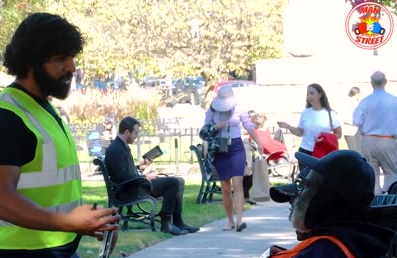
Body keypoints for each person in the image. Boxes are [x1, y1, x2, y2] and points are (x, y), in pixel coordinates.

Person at [0, 13, 120, 258]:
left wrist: (90, 221)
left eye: (72, 57)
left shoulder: (44, 111)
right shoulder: (3, 117)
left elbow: (51, 189)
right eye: (60, 59)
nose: (72, 67)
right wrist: (70, 223)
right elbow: (2, 201)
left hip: (55, 254)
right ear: (31, 62)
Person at [252, 150, 396, 258]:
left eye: (305, 186)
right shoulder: (360, 245)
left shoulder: (323, 257)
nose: (299, 195)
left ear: (325, 198)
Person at [104, 116, 200, 236]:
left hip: (134, 185)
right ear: (127, 132)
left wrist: (140, 168)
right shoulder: (116, 149)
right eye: (136, 133)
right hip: (129, 190)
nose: (136, 137)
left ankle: (177, 221)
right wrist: (145, 177)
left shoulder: (121, 146)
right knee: (173, 182)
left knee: (179, 180)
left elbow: (126, 172)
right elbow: (123, 178)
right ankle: (166, 223)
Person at [200, 85, 263, 232]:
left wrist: (258, 142)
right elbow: (204, 130)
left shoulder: (239, 108)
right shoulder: (212, 110)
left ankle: (240, 220)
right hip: (220, 149)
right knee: (226, 187)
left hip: (236, 147)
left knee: (238, 184)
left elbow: (248, 126)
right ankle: (230, 221)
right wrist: (217, 126)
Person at [277, 83, 342, 170]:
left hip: (323, 152)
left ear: (320, 94)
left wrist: (324, 138)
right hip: (305, 151)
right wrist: (288, 126)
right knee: (306, 179)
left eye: (312, 93)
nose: (309, 96)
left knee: (321, 180)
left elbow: (338, 134)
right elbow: (300, 132)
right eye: (307, 94)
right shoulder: (305, 112)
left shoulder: (330, 114)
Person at [353, 71, 397, 194]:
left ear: (371, 83)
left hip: (369, 140)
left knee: (372, 175)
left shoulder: (365, 101)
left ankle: (375, 202)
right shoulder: (394, 101)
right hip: (388, 140)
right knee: (392, 172)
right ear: (386, 82)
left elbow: (356, 120)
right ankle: (390, 200)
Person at [343, 86, 362, 153]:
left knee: (361, 151)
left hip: (358, 130)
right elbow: (345, 119)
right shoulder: (346, 104)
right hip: (349, 131)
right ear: (356, 94)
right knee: (354, 151)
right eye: (360, 93)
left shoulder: (358, 103)